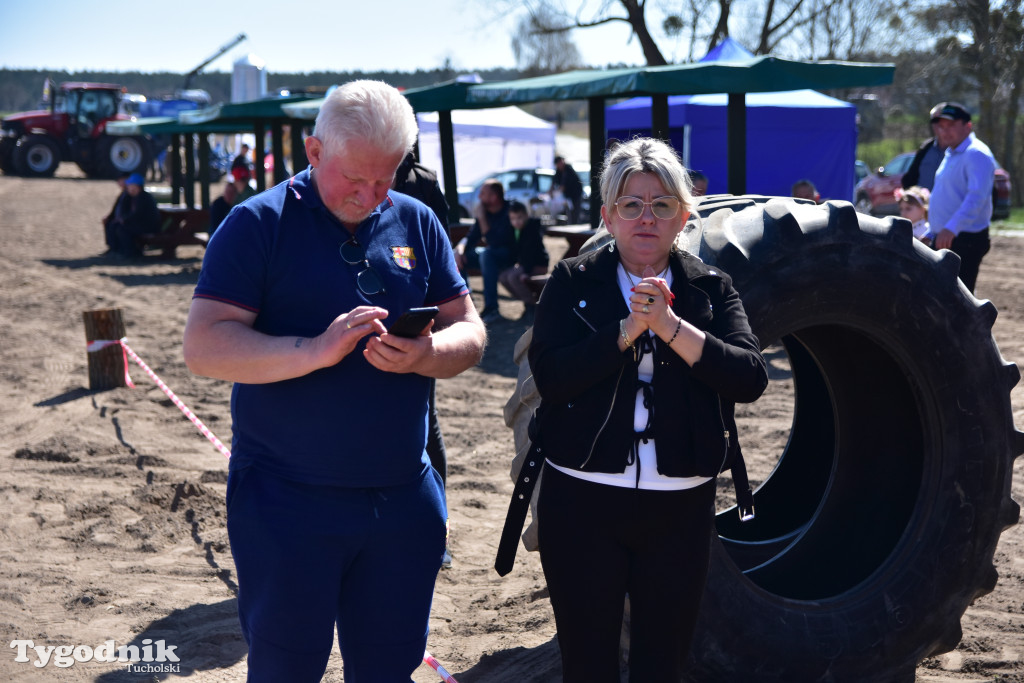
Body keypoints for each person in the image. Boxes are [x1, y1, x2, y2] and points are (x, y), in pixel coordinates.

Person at [182, 80, 486, 682]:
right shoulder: (256, 223)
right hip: (286, 503)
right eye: (356, 179)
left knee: (388, 668)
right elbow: (204, 346)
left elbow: (470, 332)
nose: (372, 196)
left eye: (387, 179)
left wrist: (426, 354)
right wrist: (315, 351)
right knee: (286, 669)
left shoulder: (418, 221)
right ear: (314, 151)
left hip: (404, 499)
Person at [524, 138, 768, 681]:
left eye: (661, 205)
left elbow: (750, 379)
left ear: (684, 215)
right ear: (608, 217)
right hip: (580, 501)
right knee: (588, 665)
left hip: (678, 509)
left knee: (663, 664)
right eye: (630, 205)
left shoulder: (711, 288)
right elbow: (552, 376)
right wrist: (627, 330)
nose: (646, 218)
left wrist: (673, 329)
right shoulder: (572, 282)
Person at [391, 151, 454, 565]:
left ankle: (437, 531)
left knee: (424, 421)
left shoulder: (423, 183)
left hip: (415, 318)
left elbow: (441, 248)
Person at [928, 101, 996, 294]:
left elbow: (977, 197)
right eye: (941, 126)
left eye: (951, 125)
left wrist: (951, 228)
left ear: (968, 126)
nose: (944, 131)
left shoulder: (976, 154)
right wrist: (934, 229)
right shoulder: (953, 152)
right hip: (948, 237)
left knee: (956, 301)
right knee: (940, 297)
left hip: (963, 239)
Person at [454, 179, 515, 323]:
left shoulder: (510, 210)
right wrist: (459, 249)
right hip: (490, 256)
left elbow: (496, 242)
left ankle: (492, 308)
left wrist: (481, 218)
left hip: (511, 257)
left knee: (487, 254)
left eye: (483, 193)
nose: (480, 197)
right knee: (456, 257)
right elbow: (471, 237)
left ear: (494, 197)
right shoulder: (486, 211)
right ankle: (468, 306)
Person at [497, 201, 549, 308]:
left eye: (519, 217)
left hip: (537, 265)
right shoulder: (514, 230)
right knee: (502, 277)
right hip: (524, 265)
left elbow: (531, 253)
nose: (516, 222)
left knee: (512, 277)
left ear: (526, 216)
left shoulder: (532, 230)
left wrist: (526, 271)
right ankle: (527, 300)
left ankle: (531, 305)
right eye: (513, 219)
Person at [108, 173, 160, 257]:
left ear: (137, 187)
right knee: (115, 226)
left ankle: (130, 253)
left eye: (130, 185)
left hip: (148, 227)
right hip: (141, 225)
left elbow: (138, 214)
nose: (128, 187)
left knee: (123, 230)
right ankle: (117, 250)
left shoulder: (143, 198)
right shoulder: (134, 197)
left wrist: (124, 219)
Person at [102, 171, 131, 252]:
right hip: (119, 218)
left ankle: (117, 248)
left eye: (122, 180)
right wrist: (109, 217)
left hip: (126, 220)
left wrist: (122, 218)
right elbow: (115, 208)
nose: (120, 183)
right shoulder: (123, 194)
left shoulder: (130, 194)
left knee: (116, 227)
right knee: (108, 223)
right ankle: (111, 247)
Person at [554, 155, 584, 224]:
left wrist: (557, 192)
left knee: (575, 212)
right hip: (567, 196)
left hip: (576, 194)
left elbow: (564, 186)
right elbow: (554, 182)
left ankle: (575, 226)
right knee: (569, 212)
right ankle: (571, 224)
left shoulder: (568, 169)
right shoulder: (558, 172)